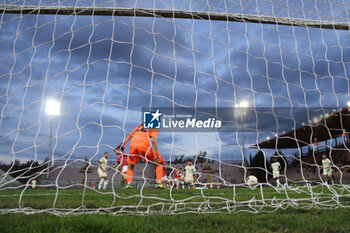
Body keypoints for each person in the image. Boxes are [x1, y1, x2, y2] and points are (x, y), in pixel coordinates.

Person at [117, 123, 165, 189]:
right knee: (159, 163)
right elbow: (153, 140)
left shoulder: (139, 126)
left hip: (133, 147)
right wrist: (157, 152)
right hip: (144, 147)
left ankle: (128, 184)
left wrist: (122, 145)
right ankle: (159, 183)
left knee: (130, 167)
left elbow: (130, 135)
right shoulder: (154, 127)